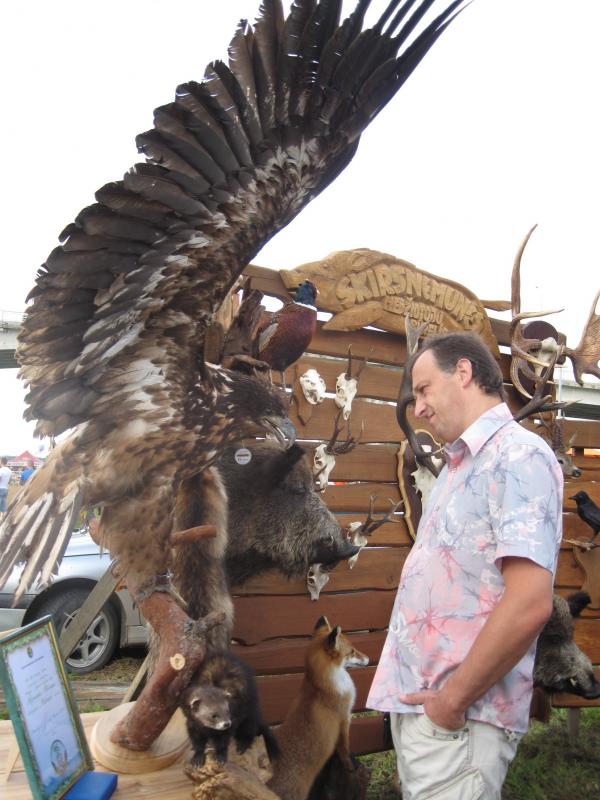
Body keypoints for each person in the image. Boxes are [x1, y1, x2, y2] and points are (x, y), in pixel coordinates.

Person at [367, 332, 563, 800]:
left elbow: (530, 603)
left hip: (460, 720)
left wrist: (451, 702)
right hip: (436, 719)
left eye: (423, 389)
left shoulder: (518, 455)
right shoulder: (463, 464)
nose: (418, 408)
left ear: (463, 372)